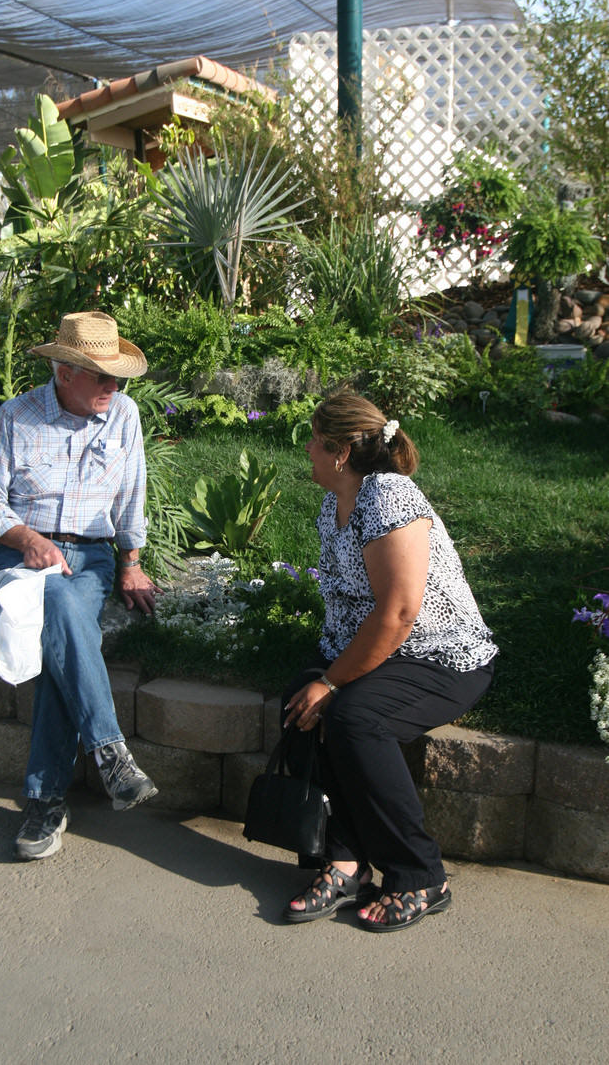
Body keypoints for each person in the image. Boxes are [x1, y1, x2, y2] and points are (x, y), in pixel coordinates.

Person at [280, 390, 497, 932]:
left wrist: (333, 683)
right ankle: (345, 862)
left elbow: (400, 613)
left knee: (356, 717)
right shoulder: (335, 501)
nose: (306, 448)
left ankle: (420, 874)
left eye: (314, 439)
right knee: (301, 702)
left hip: (442, 655)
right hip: (379, 651)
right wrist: (320, 682)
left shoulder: (391, 497)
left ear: (340, 451)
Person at [0, 310, 162, 861]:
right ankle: (109, 755)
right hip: (18, 558)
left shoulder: (123, 415)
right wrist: (28, 539)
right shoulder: (17, 416)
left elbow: (131, 495)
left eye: (118, 378)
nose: (113, 387)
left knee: (64, 627)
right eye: (102, 376)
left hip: (90, 557)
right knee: (57, 602)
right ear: (63, 372)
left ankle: (45, 802)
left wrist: (130, 562)